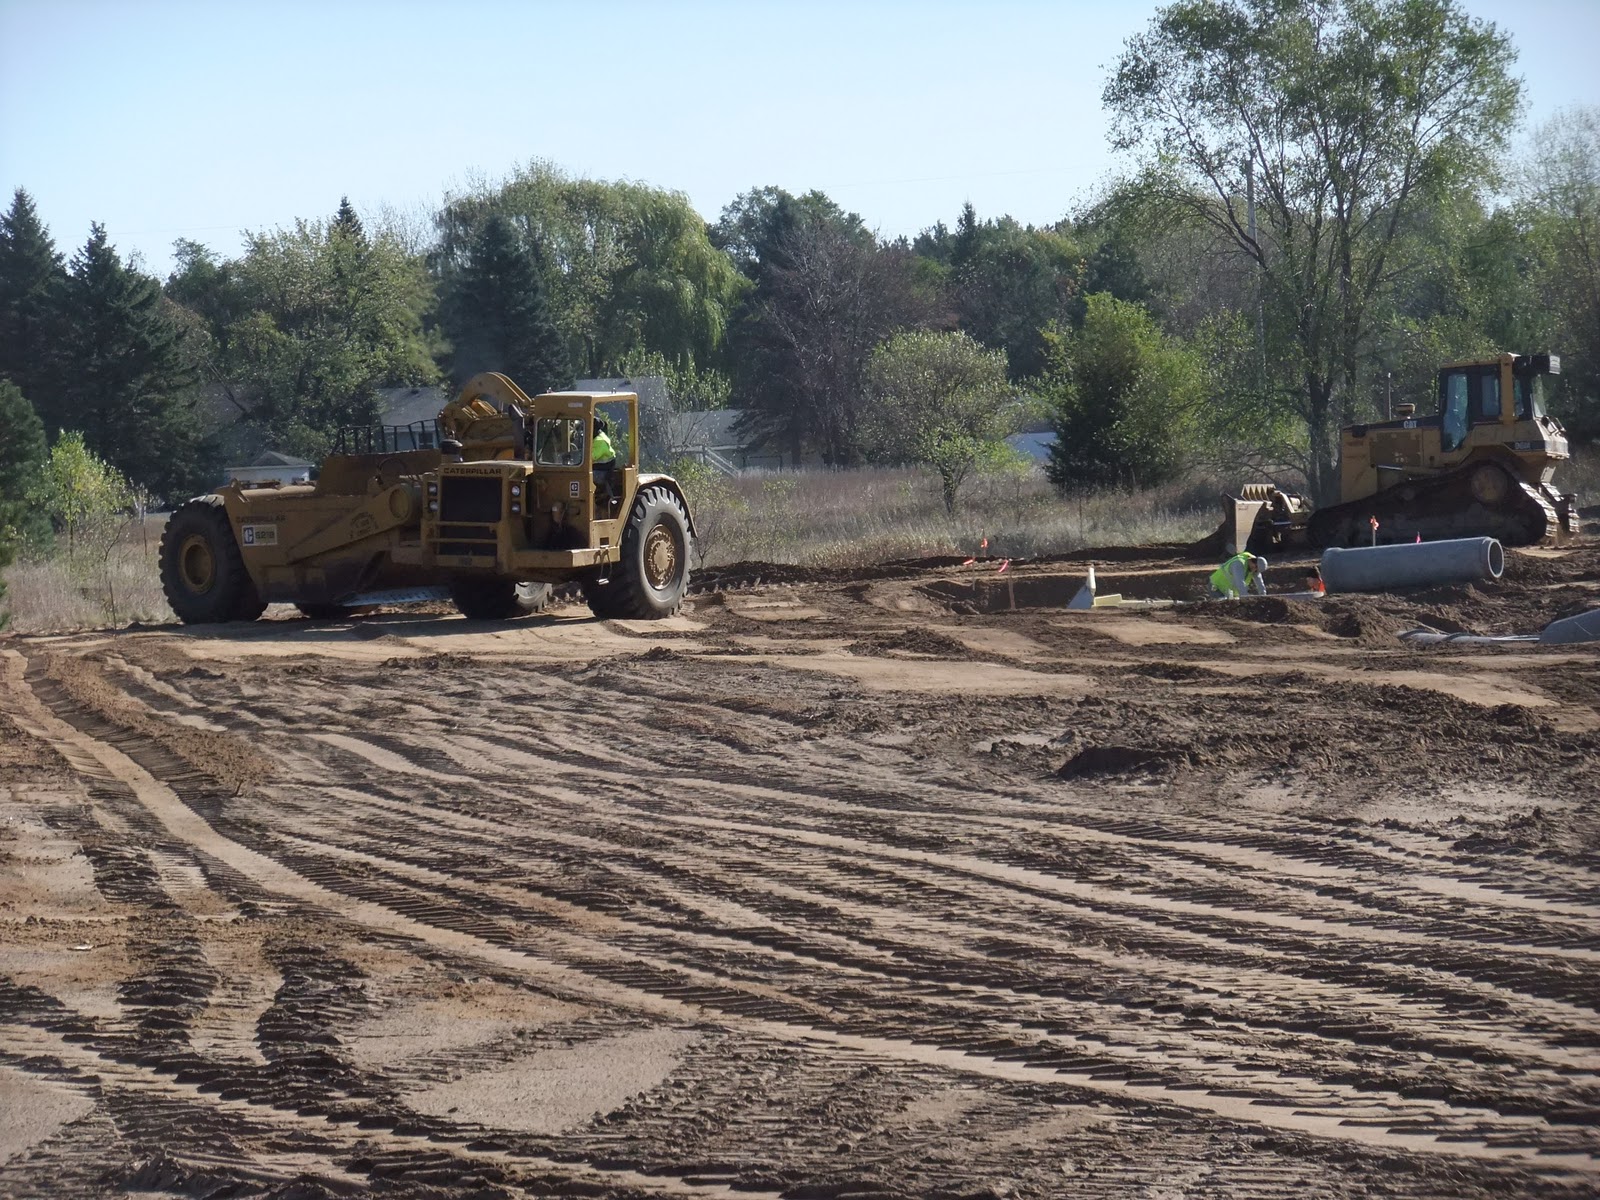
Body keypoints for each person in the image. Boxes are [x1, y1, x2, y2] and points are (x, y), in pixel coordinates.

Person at [592, 413, 618, 505]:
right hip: (598, 468)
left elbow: (589, 458)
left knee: (583, 477)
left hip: (602, 471)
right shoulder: (597, 436)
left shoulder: (600, 441)